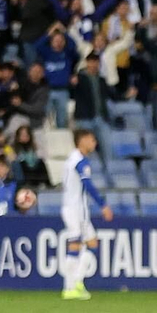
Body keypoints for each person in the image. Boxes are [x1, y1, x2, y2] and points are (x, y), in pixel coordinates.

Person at [59, 127, 112, 301]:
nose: (94, 143)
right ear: (82, 140)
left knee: (92, 243)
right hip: (75, 210)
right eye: (91, 139)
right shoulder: (80, 161)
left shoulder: (72, 159)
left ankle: (78, 283)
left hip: (77, 209)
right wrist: (103, 205)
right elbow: (87, 184)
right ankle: (69, 287)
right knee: (75, 244)